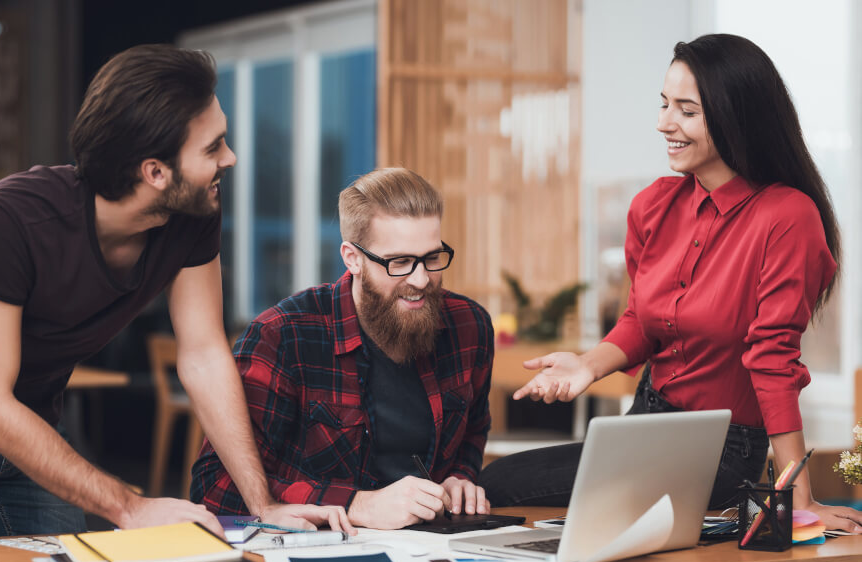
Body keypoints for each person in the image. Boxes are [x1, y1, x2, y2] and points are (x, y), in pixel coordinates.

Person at [0, 43, 352, 562]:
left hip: (29, 430)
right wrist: (129, 507)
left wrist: (265, 503)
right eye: (213, 147)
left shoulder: (192, 214)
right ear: (154, 172)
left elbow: (204, 354)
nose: (229, 159)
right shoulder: (8, 222)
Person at [480, 33, 862, 533]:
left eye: (686, 110)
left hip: (720, 450)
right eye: (664, 104)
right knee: (502, 490)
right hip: (646, 421)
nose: (664, 123)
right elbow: (642, 319)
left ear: (734, 115)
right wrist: (588, 365)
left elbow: (773, 356)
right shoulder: (654, 205)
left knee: (495, 487)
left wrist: (798, 496)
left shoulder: (788, 216)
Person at [191, 167, 494, 529]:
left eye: (432, 258)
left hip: (436, 544)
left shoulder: (470, 326)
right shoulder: (282, 336)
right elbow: (213, 488)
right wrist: (356, 505)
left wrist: (460, 478)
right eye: (399, 262)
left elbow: (473, 432)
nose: (420, 280)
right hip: (325, 550)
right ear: (353, 259)